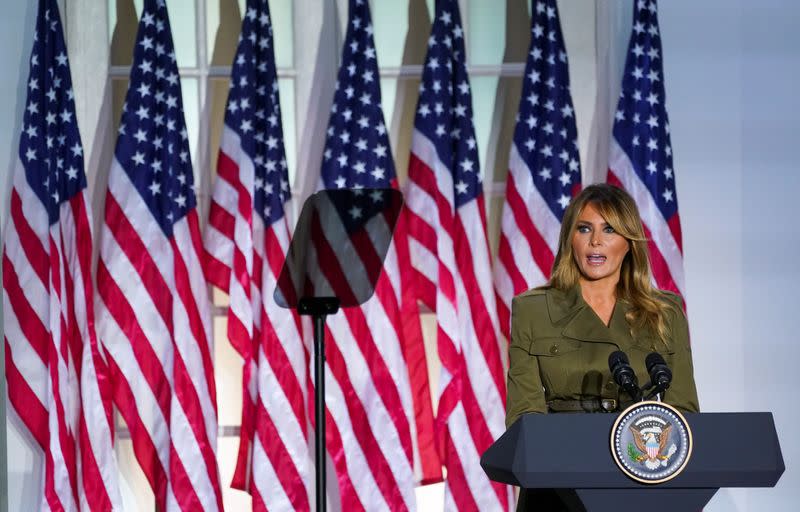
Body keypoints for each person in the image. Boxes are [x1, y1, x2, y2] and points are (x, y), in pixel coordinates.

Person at [504, 184, 699, 511]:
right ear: (571, 239)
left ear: (629, 242)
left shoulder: (665, 311)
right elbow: (525, 414)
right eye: (584, 229)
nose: (595, 241)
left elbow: (683, 412)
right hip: (557, 479)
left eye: (609, 229)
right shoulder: (533, 309)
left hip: (638, 472)